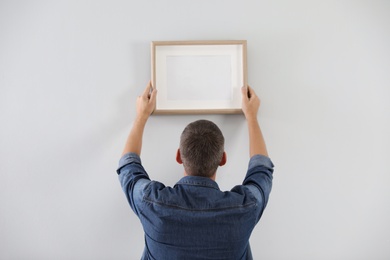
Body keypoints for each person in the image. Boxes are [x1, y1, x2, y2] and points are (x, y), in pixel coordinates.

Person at [117, 81, 274, 260]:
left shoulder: (151, 202)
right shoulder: (246, 207)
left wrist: (142, 115)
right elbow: (261, 170)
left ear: (178, 156)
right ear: (223, 159)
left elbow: (128, 166)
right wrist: (252, 117)